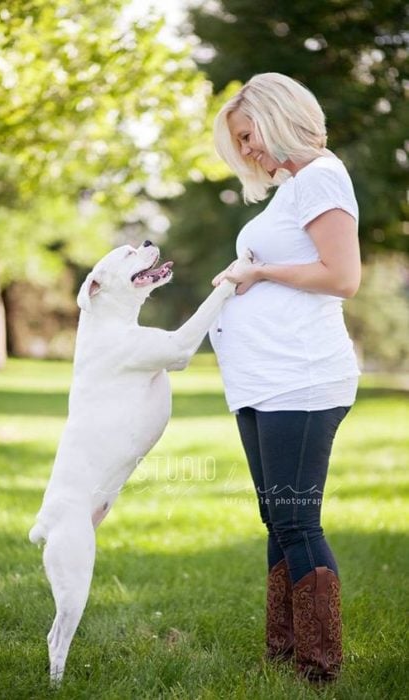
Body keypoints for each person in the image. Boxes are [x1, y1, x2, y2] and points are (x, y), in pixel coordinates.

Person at [210, 72, 361, 683]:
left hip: (300, 378)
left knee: (297, 518)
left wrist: (263, 273)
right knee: (279, 518)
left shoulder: (321, 177)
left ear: (277, 119)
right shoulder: (295, 185)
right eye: (239, 140)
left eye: (249, 136)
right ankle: (283, 653)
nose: (246, 150)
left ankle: (319, 668)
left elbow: (341, 275)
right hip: (264, 380)